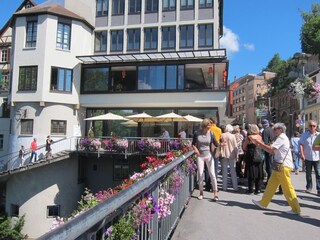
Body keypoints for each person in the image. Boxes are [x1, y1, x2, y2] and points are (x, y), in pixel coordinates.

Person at [252, 123, 301, 215]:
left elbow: (271, 149)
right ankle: (263, 203)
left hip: (283, 166)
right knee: (271, 185)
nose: (273, 131)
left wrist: (259, 144)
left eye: (275, 129)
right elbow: (272, 150)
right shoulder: (281, 138)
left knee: (287, 187)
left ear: (280, 130)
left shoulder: (282, 138)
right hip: (279, 165)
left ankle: (296, 208)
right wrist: (262, 146)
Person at [192, 118, 219, 201]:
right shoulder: (197, 133)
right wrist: (195, 149)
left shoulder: (211, 133)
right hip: (200, 156)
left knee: (212, 174)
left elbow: (216, 143)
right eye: (208, 125)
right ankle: (201, 193)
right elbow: (193, 144)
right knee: (200, 174)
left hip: (208, 155)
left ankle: (215, 193)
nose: (210, 126)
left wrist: (221, 144)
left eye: (210, 125)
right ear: (204, 125)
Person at [300, 120, 320, 196]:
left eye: (314, 126)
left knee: (318, 173)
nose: (312, 127)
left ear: (316, 127)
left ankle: (319, 189)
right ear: (308, 126)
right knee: (308, 173)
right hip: (307, 157)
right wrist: (302, 153)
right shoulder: (305, 135)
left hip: (317, 157)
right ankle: (309, 187)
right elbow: (301, 144)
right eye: (311, 126)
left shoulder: (318, 135)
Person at [242, 124, 264, 194]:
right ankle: (258, 189)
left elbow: (244, 147)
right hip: (259, 155)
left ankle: (251, 189)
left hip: (250, 155)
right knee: (259, 172)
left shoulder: (249, 137)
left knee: (251, 172)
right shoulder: (260, 137)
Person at [220, 124, 238, 191]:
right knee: (233, 170)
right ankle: (235, 187)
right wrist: (237, 155)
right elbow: (235, 147)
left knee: (224, 170)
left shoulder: (222, 135)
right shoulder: (232, 136)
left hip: (224, 154)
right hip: (231, 154)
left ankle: (224, 187)